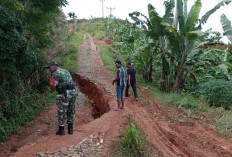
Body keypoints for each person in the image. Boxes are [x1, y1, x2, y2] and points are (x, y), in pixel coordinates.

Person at [46, 60, 78, 135]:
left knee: (62, 111)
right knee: (71, 110)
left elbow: (53, 85)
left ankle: (61, 130)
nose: (49, 69)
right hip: (73, 92)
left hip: (65, 93)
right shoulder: (65, 70)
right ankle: (70, 129)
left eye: (50, 67)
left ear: (53, 66)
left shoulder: (55, 73)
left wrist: (50, 78)